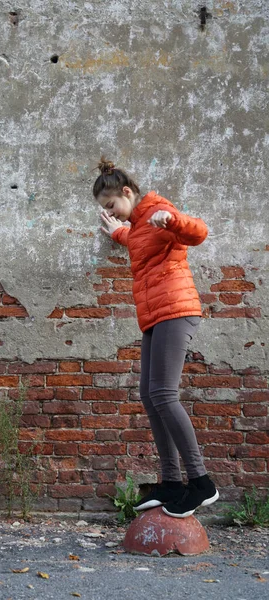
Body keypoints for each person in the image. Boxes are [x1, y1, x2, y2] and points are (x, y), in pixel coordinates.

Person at [92, 157, 219, 518]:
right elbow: (138, 241)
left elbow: (198, 233)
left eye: (112, 205)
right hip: (155, 316)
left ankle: (201, 482)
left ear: (128, 192)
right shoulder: (137, 226)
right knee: (149, 395)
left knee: (164, 393)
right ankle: (171, 482)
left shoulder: (159, 210)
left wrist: (174, 220)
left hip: (177, 311)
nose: (111, 211)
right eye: (106, 209)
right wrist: (116, 231)